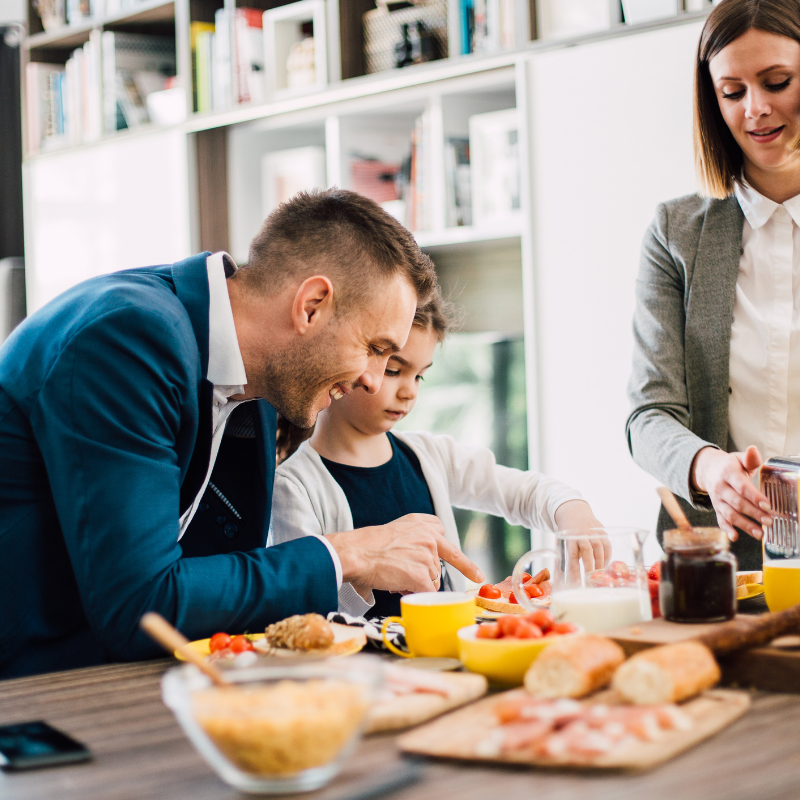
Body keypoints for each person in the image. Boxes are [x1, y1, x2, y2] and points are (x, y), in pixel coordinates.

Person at [0, 188, 482, 679]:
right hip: (37, 693)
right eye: (375, 348)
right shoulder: (128, 337)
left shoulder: (257, 384)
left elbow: (216, 580)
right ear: (311, 305)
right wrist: (348, 553)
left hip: (123, 677)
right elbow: (140, 608)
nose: (373, 381)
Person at [269, 289, 607, 617]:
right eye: (394, 371)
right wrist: (362, 575)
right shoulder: (293, 486)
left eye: (420, 376)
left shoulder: (429, 455)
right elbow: (304, 609)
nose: (409, 391)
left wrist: (572, 511)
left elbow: (525, 492)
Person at [626, 0, 800, 569]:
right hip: (722, 568)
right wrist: (708, 467)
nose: (757, 109)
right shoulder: (676, 232)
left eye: (778, 82)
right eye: (732, 91)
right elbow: (650, 415)